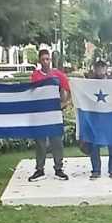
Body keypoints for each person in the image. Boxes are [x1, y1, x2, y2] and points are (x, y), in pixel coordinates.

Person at [29, 49, 69, 181]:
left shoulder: (58, 74)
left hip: (54, 114)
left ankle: (59, 169)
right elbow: (32, 93)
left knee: (56, 141)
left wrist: (63, 104)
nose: (45, 62)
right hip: (40, 114)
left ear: (50, 60)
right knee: (40, 142)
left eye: (47, 59)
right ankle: (39, 169)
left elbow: (66, 91)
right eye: (43, 59)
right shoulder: (35, 75)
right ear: (39, 61)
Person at [86, 60, 112, 179]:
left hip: (110, 117)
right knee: (94, 145)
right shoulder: (90, 82)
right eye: (98, 68)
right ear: (94, 69)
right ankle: (96, 170)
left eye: (102, 68)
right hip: (95, 118)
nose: (100, 70)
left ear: (106, 69)